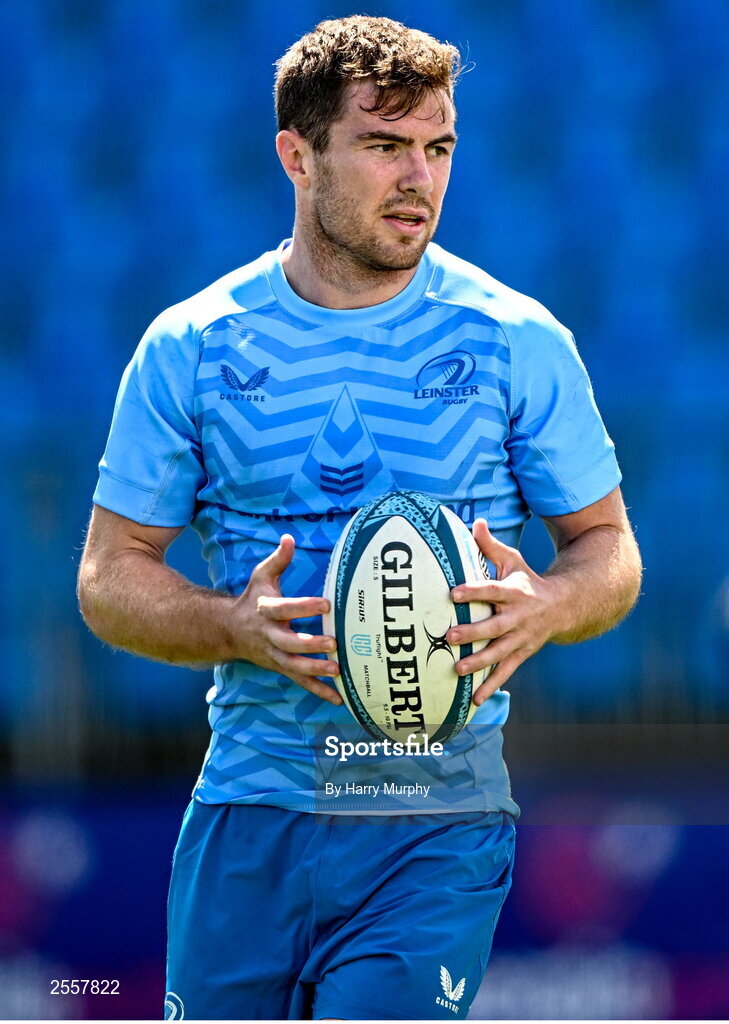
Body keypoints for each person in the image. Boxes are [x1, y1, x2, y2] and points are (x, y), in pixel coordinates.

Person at [77, 15, 642, 1021]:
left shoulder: (516, 340)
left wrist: (549, 604)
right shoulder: (193, 345)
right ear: (297, 155)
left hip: (437, 822)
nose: (418, 178)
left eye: (438, 148)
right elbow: (109, 574)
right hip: (248, 812)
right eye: (384, 147)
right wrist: (227, 625)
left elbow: (609, 549)